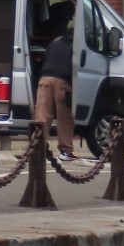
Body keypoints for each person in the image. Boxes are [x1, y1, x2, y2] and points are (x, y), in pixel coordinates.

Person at [33, 10, 77, 161]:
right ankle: (65, 151)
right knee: (65, 117)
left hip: (44, 79)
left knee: (42, 116)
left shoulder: (54, 43)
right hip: (62, 82)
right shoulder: (75, 46)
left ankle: (38, 147)